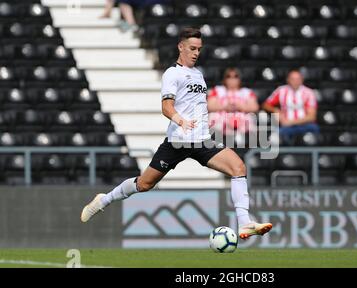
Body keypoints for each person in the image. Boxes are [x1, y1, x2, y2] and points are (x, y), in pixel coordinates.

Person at [81, 27, 272, 240]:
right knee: (144, 184)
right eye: (192, 48)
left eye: (199, 49)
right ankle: (104, 200)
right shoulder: (172, 74)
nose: (196, 53)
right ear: (180, 47)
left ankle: (244, 223)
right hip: (177, 142)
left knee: (238, 167)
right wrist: (180, 120)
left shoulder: (199, 75)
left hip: (201, 141)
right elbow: (166, 106)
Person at [262, 69, 319, 145]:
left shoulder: (309, 93)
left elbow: (311, 117)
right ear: (288, 80)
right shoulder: (281, 90)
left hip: (305, 125)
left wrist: (290, 122)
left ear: (302, 80)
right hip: (287, 127)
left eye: (298, 79)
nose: (295, 81)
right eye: (293, 79)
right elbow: (265, 105)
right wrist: (275, 110)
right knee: (274, 136)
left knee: (314, 129)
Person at [207, 67, 259, 141]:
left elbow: (255, 107)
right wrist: (225, 107)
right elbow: (209, 106)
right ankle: (214, 141)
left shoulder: (246, 92)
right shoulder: (218, 90)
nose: (232, 79)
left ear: (240, 79)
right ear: (225, 79)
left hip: (241, 118)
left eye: (236, 76)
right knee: (214, 116)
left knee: (250, 117)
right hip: (222, 118)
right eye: (229, 76)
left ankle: (249, 142)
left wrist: (240, 106)